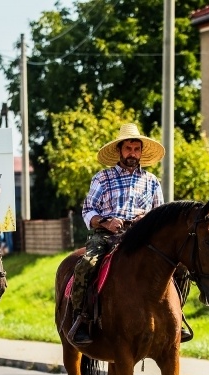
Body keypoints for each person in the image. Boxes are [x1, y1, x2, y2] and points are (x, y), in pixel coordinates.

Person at [69, 123, 170, 345]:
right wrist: (106, 222)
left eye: (136, 149)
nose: (132, 153)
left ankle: (175, 318)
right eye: (128, 148)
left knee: (177, 266)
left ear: (141, 152)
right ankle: (81, 319)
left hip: (143, 238)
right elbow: (88, 210)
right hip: (106, 235)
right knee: (86, 264)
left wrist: (148, 220)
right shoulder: (102, 178)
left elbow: (160, 214)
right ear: (120, 151)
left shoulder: (152, 181)